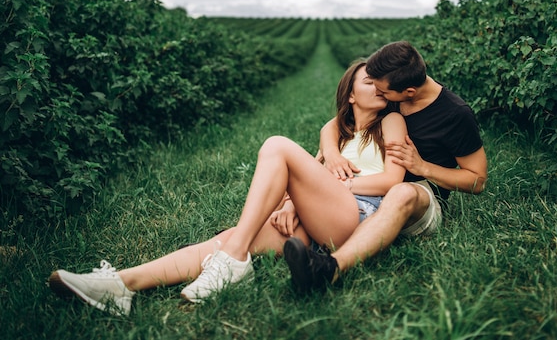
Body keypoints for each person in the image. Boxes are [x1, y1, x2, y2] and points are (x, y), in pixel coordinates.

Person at [48, 61, 408, 316]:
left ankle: (233, 264)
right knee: (232, 238)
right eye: (368, 81)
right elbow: (310, 178)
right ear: (349, 95)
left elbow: (393, 180)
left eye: (380, 83)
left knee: (277, 145)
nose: (378, 86)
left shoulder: (391, 121)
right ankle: (122, 285)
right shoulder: (336, 132)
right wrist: (290, 204)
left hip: (359, 215)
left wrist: (339, 183)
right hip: (319, 222)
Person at [283, 40, 488, 292]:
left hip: (418, 197)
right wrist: (331, 152)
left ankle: (330, 268)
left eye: (383, 92)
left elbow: (477, 180)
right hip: (372, 190)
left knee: (401, 191)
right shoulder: (391, 86)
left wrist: (423, 167)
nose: (378, 94)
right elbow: (338, 121)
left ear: (409, 92)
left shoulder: (455, 114)